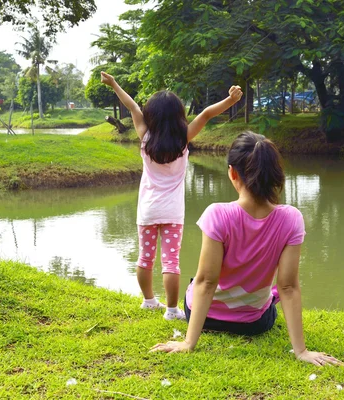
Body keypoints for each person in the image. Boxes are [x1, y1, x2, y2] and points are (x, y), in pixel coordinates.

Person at [150, 132, 343, 366]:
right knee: (272, 297)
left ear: (232, 172)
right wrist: (301, 351)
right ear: (275, 174)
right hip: (253, 325)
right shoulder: (291, 219)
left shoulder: (217, 214)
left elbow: (206, 282)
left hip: (205, 318)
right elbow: (288, 286)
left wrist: (188, 343)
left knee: (195, 283)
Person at [101, 71, 243, 320]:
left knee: (145, 257)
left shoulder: (145, 138)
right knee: (170, 262)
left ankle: (148, 301)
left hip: (147, 210)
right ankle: (171, 310)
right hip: (173, 212)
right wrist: (230, 101)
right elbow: (207, 114)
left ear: (151, 116)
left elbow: (131, 105)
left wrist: (113, 83)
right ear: (179, 116)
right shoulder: (183, 139)